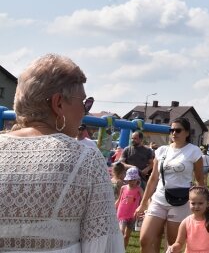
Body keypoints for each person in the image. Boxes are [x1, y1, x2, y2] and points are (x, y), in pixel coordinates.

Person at [0, 53, 124, 252]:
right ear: (58, 103)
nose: (85, 111)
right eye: (83, 102)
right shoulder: (86, 159)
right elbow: (103, 246)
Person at [136, 117, 205, 252]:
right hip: (159, 199)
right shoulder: (161, 150)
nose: (174, 133)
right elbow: (154, 178)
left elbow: (200, 181)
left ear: (187, 133)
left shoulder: (194, 151)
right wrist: (143, 202)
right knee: (145, 239)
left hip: (181, 201)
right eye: (171, 130)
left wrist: (201, 205)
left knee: (173, 244)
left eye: (178, 130)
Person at [168, 186, 209, 253]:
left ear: (207, 203)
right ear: (189, 203)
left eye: (200, 203)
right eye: (193, 203)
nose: (196, 206)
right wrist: (173, 247)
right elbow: (179, 242)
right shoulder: (185, 222)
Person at [117, 167, 144, 248]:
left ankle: (123, 249)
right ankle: (118, 248)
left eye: (133, 180)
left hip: (132, 215)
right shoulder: (123, 188)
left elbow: (144, 200)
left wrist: (144, 209)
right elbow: (119, 200)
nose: (131, 182)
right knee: (121, 232)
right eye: (130, 180)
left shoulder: (139, 189)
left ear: (137, 180)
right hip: (122, 213)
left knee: (126, 236)